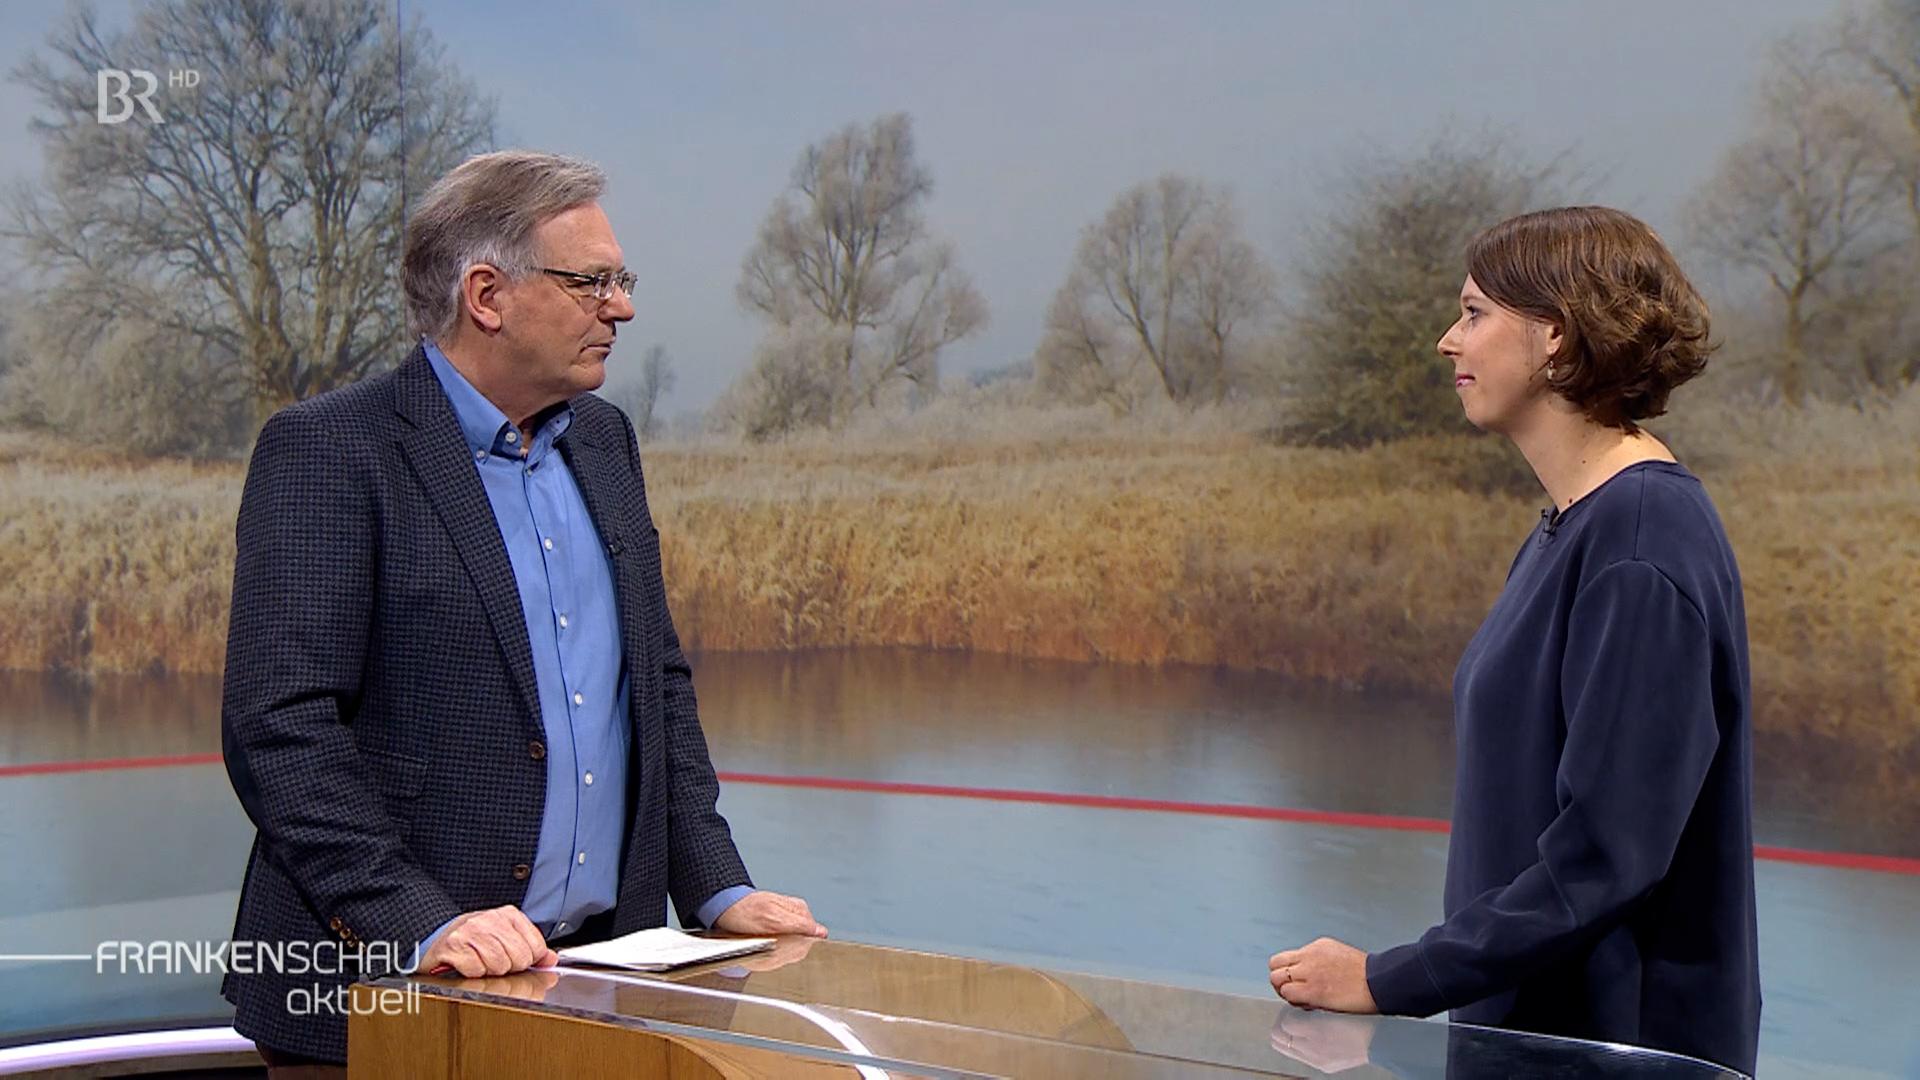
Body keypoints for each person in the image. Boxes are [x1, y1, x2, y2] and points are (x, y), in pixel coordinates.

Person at [220, 150, 825, 1074]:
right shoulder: (332, 452)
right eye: (591, 282)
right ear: (487, 295)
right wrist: (421, 923)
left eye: (621, 281)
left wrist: (714, 884)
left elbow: (654, 685)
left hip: (595, 992)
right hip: (382, 1003)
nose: (620, 308)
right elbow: (280, 730)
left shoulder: (607, 443)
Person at [1267, 206, 1760, 1075]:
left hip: (1615, 1056)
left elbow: (1607, 857)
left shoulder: (1642, 542)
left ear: (1555, 340)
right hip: (1530, 1044)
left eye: (1473, 313)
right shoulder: (1572, 527)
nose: (1446, 341)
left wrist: (1392, 979)